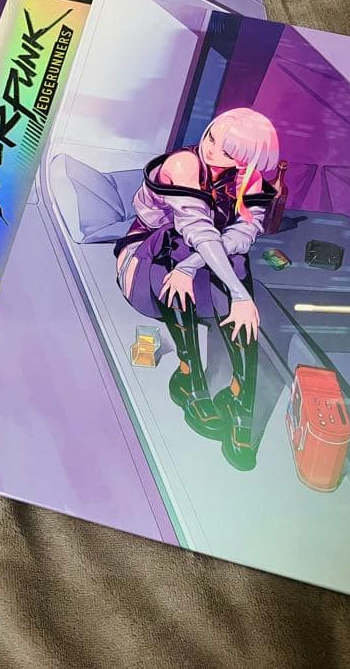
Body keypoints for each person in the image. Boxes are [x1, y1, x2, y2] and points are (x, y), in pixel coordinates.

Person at [114, 108, 279, 469]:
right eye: (212, 137)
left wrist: (192, 267)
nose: (211, 149)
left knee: (234, 258)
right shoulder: (183, 165)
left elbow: (242, 236)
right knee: (179, 242)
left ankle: (241, 400)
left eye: (227, 150)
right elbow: (197, 232)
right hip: (147, 267)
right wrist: (239, 295)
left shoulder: (250, 180)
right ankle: (191, 377)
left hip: (192, 272)